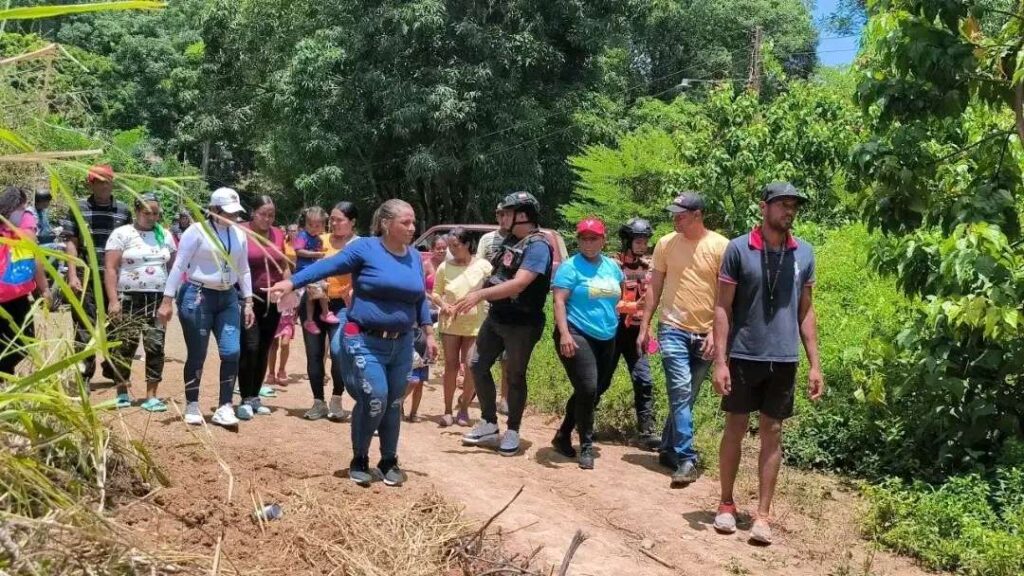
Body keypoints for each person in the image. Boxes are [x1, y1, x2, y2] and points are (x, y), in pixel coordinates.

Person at [268, 199, 438, 487]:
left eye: (413, 222)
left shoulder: (412, 256)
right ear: (386, 223)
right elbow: (328, 266)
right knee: (376, 398)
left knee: (393, 403)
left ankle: (388, 460)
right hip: (366, 340)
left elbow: (419, 296)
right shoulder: (365, 249)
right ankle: (360, 458)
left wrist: (429, 332)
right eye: (405, 222)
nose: (412, 227)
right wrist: (291, 283)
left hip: (402, 342)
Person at [711, 182, 823, 545]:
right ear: (764, 207)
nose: (788, 211)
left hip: (784, 358)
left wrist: (814, 364)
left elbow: (806, 312)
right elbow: (722, 307)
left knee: (773, 433)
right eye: (782, 205)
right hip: (744, 355)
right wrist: (720, 361)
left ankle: (763, 515)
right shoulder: (738, 249)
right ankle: (726, 504)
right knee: (735, 427)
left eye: (793, 206)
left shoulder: (803, 253)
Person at [637, 192, 728, 487]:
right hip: (672, 327)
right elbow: (655, 287)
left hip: (706, 332)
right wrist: (644, 325)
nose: (675, 218)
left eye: (681, 214)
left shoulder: (720, 247)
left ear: (698, 214)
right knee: (680, 390)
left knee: (687, 396)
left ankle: (667, 447)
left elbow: (727, 296)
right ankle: (687, 456)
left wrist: (716, 332)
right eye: (674, 214)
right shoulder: (666, 244)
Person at [457, 191, 553, 457]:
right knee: (477, 364)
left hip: (522, 323)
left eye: (507, 213)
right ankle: (488, 423)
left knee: (515, 375)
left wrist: (480, 295)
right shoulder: (510, 241)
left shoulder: (538, 246)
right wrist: (471, 294)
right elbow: (495, 276)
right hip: (497, 317)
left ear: (522, 215)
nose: (502, 217)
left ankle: (513, 429)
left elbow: (520, 282)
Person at [158, 187, 255, 428]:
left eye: (235, 212)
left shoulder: (239, 234)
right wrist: (167, 300)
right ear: (213, 210)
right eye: (227, 212)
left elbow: (243, 269)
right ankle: (192, 404)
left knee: (232, 351)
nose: (232, 217)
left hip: (228, 298)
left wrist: (249, 300)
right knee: (198, 353)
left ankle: (224, 406)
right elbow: (179, 266)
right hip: (198, 296)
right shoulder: (196, 231)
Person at [550, 218, 623, 469]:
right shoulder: (570, 268)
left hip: (608, 335)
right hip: (577, 332)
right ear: (578, 241)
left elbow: (621, 294)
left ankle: (562, 434)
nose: (589, 243)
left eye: (594, 238)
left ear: (603, 240)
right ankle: (587, 445)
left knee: (594, 389)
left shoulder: (613, 267)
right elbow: (559, 302)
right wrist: (565, 334)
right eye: (584, 238)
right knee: (589, 388)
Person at [103, 194, 176, 411]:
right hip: (128, 298)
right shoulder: (122, 234)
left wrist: (170, 300)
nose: (152, 217)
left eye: (155, 213)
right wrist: (113, 300)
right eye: (147, 213)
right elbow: (110, 268)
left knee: (155, 346)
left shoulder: (165, 235)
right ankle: (122, 391)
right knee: (125, 345)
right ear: (137, 211)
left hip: (157, 299)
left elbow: (173, 268)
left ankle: (151, 396)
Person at [63, 164, 132, 384]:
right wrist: (72, 275)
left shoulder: (124, 211)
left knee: (117, 324)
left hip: (116, 279)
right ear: (90, 184)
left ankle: (113, 369)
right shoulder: (78, 208)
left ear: (113, 183)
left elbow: (130, 244)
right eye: (99, 182)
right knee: (84, 327)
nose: (104, 186)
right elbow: (71, 243)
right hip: (86, 278)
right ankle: (84, 374)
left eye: (107, 181)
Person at [299, 202, 359, 421]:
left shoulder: (360, 245)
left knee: (337, 351)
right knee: (314, 354)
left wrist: (353, 290)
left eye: (339, 219)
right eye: (331, 219)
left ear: (352, 222)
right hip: (313, 302)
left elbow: (367, 273)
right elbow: (302, 263)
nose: (333, 223)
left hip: (342, 306)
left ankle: (336, 399)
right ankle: (318, 402)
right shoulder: (319, 240)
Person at [431, 227, 492, 426]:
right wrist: (443, 305)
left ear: (467, 244)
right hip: (450, 323)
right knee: (451, 366)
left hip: (475, 324)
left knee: (472, 366)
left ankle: (464, 407)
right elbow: (436, 293)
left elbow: (491, 289)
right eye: (450, 246)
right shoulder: (444, 267)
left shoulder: (483, 266)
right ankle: (447, 410)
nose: (452, 250)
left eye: (455, 246)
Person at [236, 195, 289, 418]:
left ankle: (255, 396)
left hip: (273, 299)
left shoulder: (278, 234)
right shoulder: (240, 231)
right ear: (253, 213)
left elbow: (284, 264)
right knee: (250, 346)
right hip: (249, 298)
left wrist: (289, 290)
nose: (268, 219)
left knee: (264, 348)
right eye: (263, 214)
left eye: (271, 215)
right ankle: (245, 398)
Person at [612, 218, 658, 449]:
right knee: (599, 380)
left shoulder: (649, 268)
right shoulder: (612, 265)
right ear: (627, 241)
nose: (642, 246)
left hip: (636, 333)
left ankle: (646, 431)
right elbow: (604, 298)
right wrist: (631, 307)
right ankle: (582, 422)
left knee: (644, 381)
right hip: (612, 332)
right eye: (638, 241)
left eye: (645, 242)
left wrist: (647, 328)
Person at [0, 186, 50, 377]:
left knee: (24, 343)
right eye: (20, 208)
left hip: (18, 297)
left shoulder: (25, 225)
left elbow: (34, 257)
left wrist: (44, 288)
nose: (23, 211)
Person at [475, 202, 511, 414]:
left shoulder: (523, 240)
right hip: (487, 304)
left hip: (510, 306)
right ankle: (478, 394)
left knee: (507, 357)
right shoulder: (487, 240)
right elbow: (479, 269)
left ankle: (505, 397)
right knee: (480, 355)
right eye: (500, 213)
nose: (503, 217)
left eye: (507, 213)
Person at [293, 207, 339, 335]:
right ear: (305, 223)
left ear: (323, 225)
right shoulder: (302, 235)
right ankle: (325, 313)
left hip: (313, 269)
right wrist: (317, 254)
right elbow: (298, 251)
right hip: (306, 270)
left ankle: (310, 320)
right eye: (310, 225)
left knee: (312, 297)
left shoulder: (318, 239)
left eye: (317, 225)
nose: (313, 228)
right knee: (320, 289)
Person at [266, 222, 300, 386]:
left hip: (288, 317)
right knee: (273, 344)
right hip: (276, 315)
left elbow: (298, 300)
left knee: (285, 343)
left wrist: (296, 316)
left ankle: (282, 369)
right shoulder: (274, 280)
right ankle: (271, 372)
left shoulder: (295, 283)